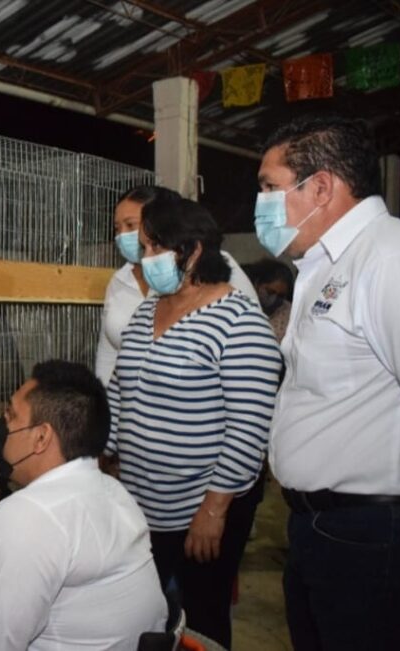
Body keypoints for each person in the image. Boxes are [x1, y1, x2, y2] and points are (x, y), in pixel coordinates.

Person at [256, 114, 400, 650]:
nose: (261, 203)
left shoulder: (396, 258)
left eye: (269, 187)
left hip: (377, 537)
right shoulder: (324, 267)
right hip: (321, 530)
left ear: (321, 187)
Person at [106, 194, 282, 649]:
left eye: (155, 247)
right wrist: (89, 452)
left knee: (202, 618)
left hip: (200, 509)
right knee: (144, 612)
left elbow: (248, 429)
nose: (146, 258)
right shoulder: (147, 312)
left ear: (193, 250)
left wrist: (213, 511)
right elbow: (120, 392)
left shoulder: (239, 321)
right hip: (142, 505)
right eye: (144, 247)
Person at [0, 360, 167, 651]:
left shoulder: (27, 517)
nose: (3, 423)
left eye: (11, 415)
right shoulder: (115, 493)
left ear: (41, 437)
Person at [95, 185, 258, 385]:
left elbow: (249, 341)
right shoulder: (120, 283)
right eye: (117, 228)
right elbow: (108, 352)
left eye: (130, 225)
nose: (122, 235)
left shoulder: (214, 268)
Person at [241, 258, 293, 342]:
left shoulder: (289, 313)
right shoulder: (242, 304)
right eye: (270, 292)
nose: (274, 298)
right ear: (257, 283)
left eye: (280, 296)